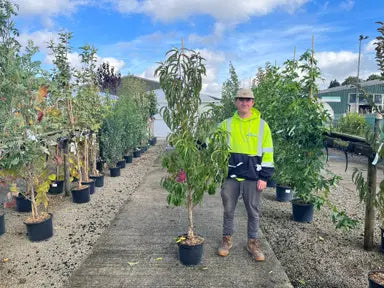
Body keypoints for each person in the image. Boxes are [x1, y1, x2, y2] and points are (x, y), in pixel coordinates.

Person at [217, 88, 274, 262]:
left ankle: (252, 243)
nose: (244, 102)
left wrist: (264, 177)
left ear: (253, 103)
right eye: (241, 99)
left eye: (248, 99)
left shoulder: (262, 125)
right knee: (228, 210)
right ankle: (227, 240)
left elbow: (268, 153)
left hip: (253, 177)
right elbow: (212, 143)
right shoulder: (225, 124)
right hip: (231, 175)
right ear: (235, 102)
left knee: (253, 211)